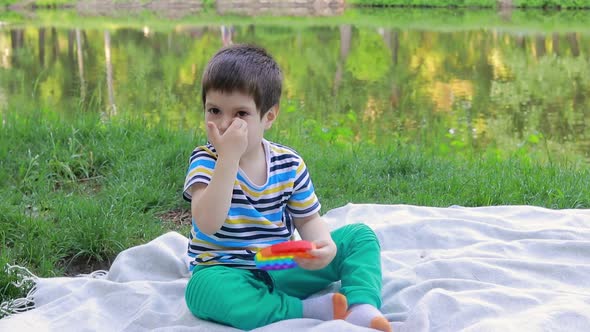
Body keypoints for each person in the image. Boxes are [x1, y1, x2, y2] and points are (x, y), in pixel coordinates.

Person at [183, 44, 390, 332]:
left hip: (277, 265)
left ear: (269, 116)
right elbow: (206, 223)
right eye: (214, 110)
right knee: (201, 290)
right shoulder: (206, 160)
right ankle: (305, 310)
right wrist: (228, 158)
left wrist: (323, 247)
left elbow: (308, 220)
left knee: (360, 237)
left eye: (241, 113)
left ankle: (361, 307)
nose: (225, 123)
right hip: (225, 270)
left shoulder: (288, 164)